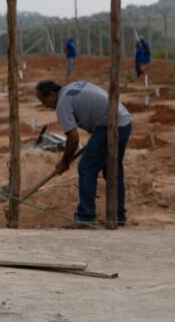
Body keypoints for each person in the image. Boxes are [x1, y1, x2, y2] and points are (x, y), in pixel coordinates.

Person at [34, 80, 133, 227]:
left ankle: (85, 217)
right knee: (112, 169)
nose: (45, 106)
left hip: (110, 124)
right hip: (124, 121)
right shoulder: (71, 88)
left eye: (44, 101)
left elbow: (73, 139)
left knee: (86, 167)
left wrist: (65, 161)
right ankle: (118, 215)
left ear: (53, 94)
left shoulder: (62, 103)